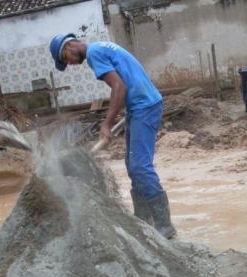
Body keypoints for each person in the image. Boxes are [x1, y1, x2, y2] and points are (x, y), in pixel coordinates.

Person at [49, 34, 177, 239]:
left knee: (140, 166)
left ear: (70, 45)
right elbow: (124, 81)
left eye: (65, 58)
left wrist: (106, 124)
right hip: (139, 107)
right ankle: (143, 219)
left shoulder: (93, 54)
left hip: (144, 106)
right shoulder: (101, 47)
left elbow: (119, 87)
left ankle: (164, 225)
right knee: (132, 164)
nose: (70, 63)